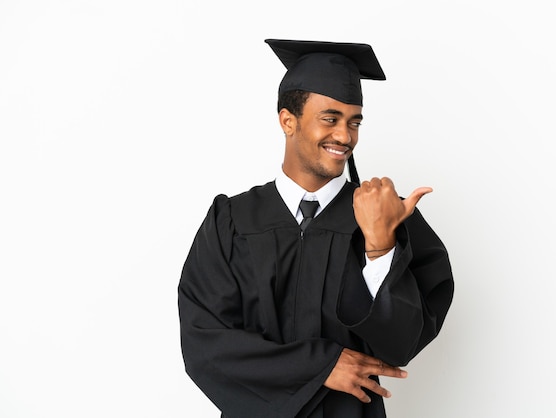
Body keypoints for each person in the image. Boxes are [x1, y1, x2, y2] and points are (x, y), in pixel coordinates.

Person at [178, 38, 454, 418]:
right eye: (330, 118)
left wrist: (379, 245)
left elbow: (401, 345)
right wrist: (322, 365)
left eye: (353, 121)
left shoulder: (386, 217)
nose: (345, 136)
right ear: (288, 120)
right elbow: (204, 346)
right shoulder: (233, 220)